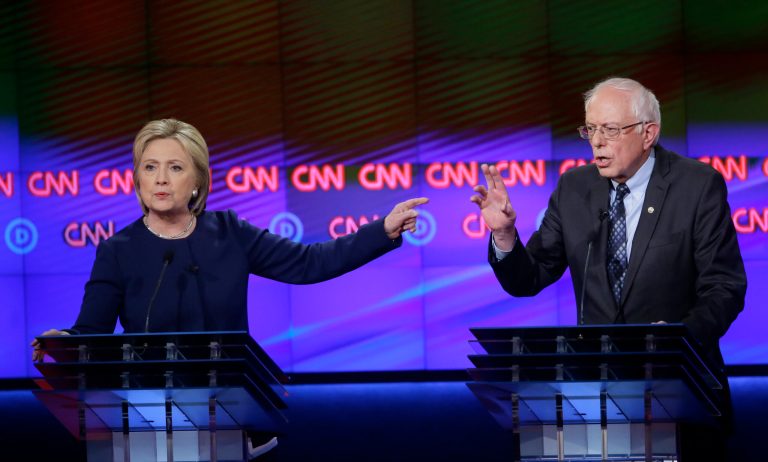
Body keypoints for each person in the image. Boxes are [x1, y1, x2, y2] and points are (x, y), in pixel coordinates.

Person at [470, 77, 746, 461]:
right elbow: (528, 278)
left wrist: (680, 340)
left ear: (648, 132)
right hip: (591, 398)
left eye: (610, 130)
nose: (597, 142)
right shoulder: (574, 188)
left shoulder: (696, 186)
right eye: (591, 129)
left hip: (678, 391)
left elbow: (724, 287)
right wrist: (504, 236)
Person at [32, 117, 427, 344]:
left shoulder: (228, 233)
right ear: (137, 180)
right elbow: (93, 333)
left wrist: (383, 230)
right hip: (146, 409)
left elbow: (310, 264)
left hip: (228, 404)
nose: (161, 179)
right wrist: (67, 343)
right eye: (150, 167)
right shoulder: (118, 249)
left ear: (198, 182)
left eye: (175, 167)